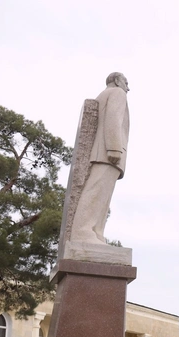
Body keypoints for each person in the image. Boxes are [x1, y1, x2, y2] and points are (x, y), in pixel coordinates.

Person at [70, 72, 130, 245]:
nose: (128, 87)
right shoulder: (117, 93)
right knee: (96, 191)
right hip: (108, 152)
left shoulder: (103, 95)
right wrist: (114, 147)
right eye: (126, 82)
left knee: (102, 195)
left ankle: (95, 232)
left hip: (105, 152)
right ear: (117, 81)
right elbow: (113, 118)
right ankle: (83, 231)